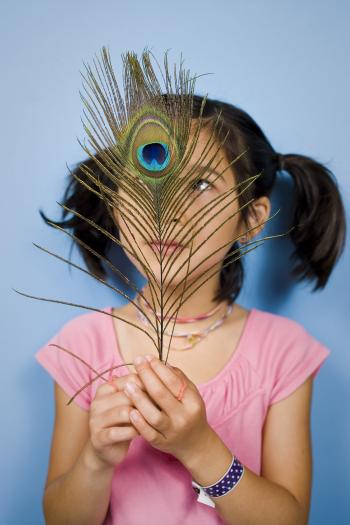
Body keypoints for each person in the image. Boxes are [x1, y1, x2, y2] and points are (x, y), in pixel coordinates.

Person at [35, 94, 346, 525]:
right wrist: (97, 459)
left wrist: (200, 448)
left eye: (200, 185)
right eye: (148, 180)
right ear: (115, 202)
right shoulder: (81, 345)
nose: (165, 211)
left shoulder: (284, 352)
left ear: (251, 219)